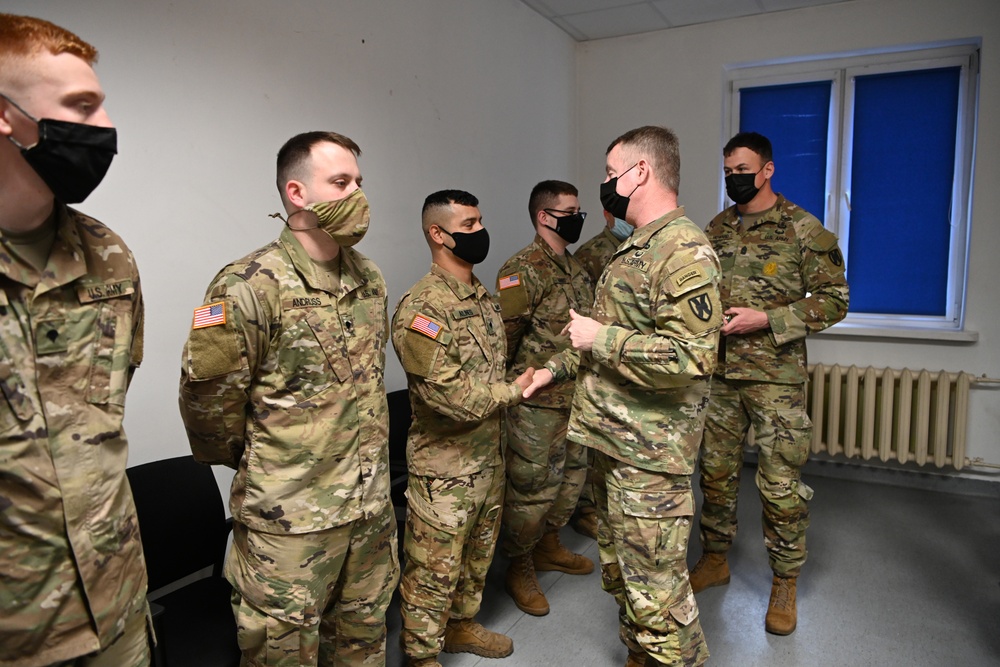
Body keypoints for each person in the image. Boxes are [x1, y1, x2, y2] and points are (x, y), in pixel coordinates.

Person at [178, 131, 399, 665]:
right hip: (291, 524)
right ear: (297, 193)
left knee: (363, 641)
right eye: (341, 182)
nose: (358, 196)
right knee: (283, 655)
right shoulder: (250, 284)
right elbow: (208, 406)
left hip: (369, 508)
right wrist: (269, 465)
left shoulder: (368, 276)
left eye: (360, 182)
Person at [525, 126, 722, 667]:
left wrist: (599, 337)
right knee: (624, 578)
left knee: (659, 598)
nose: (606, 185)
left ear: (641, 173)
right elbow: (606, 345)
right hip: (612, 445)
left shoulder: (683, 250)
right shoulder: (636, 247)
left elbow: (690, 357)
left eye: (612, 174)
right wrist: (555, 368)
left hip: (650, 459)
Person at [0, 14, 150, 667]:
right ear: (6, 117)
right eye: (81, 106)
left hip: (116, 604)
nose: (104, 124)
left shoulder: (107, 255)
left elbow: (108, 407)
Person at [690, 131, 849, 636]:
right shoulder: (717, 227)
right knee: (714, 475)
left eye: (742, 169)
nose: (734, 177)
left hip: (775, 379)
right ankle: (715, 558)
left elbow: (835, 299)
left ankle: (785, 580)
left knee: (780, 484)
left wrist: (768, 318)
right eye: (727, 170)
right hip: (720, 376)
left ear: (768, 170)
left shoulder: (803, 229)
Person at [392, 190, 533, 667]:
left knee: (476, 558)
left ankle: (461, 625)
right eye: (469, 225)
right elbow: (449, 397)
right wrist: (516, 391)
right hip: (444, 471)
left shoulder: (482, 298)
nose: (479, 232)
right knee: (433, 570)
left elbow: (490, 372)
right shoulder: (423, 310)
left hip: (488, 458)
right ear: (438, 233)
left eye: (479, 222)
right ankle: (421, 654)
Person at [495, 180, 595, 617]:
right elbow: (504, 342)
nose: (577, 218)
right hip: (536, 405)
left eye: (578, 210)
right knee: (531, 490)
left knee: (570, 482)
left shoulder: (577, 270)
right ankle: (519, 564)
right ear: (544, 216)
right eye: (569, 211)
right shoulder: (521, 270)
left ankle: (549, 544)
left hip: (575, 400)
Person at [567, 208, 631, 540]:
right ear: (607, 214)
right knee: (588, 449)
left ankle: (605, 505)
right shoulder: (591, 254)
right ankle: (587, 509)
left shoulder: (640, 246)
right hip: (594, 356)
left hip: (625, 361)